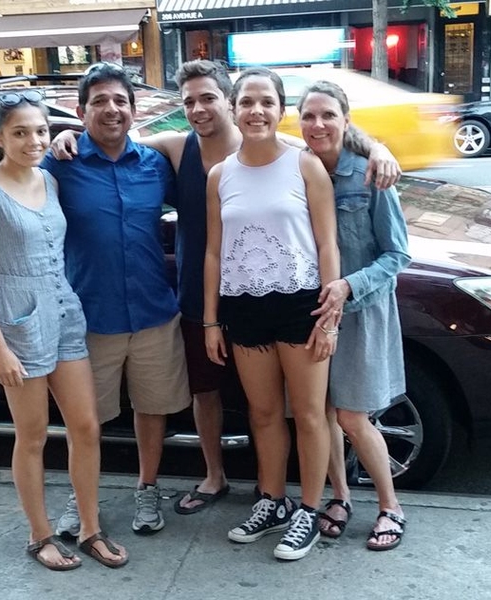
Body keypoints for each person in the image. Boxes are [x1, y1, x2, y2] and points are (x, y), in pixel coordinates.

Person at [49, 59, 401, 516]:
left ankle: (330, 498)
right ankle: (220, 478)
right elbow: (117, 139)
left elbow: (326, 144)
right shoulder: (177, 151)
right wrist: (67, 136)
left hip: (291, 302)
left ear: (229, 103)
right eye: (189, 101)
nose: (199, 108)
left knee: (309, 407)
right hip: (205, 299)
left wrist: (377, 147)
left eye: (209, 97)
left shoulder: (287, 151)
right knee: (210, 394)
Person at [0, 63, 191, 537]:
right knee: (81, 425)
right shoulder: (59, 165)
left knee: (151, 408)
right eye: (99, 101)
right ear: (81, 112)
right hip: (89, 313)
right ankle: (76, 508)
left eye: (120, 101)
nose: (111, 110)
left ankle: (145, 490)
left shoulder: (152, 164)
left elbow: (217, 144)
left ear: (133, 109)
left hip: (150, 308)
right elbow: (10, 183)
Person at [0, 91, 127, 570]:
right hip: (17, 318)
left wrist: (66, 136)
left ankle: (90, 527)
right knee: (31, 435)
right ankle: (40, 536)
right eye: (19, 132)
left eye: (39, 130)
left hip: (64, 309)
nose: (33, 140)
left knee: (86, 427)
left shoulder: (50, 181)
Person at [203, 67, 340, 561]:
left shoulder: (304, 164)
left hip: (301, 302)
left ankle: (307, 509)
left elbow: (327, 242)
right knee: (262, 413)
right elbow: (214, 253)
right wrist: (211, 319)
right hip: (243, 305)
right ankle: (272, 500)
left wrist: (329, 317)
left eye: (266, 102)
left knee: (307, 413)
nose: (256, 111)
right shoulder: (220, 174)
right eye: (246, 102)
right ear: (234, 110)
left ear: (280, 110)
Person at [299, 80, 411, 551]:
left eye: (328, 115)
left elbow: (397, 254)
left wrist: (349, 285)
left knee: (352, 416)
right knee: (320, 412)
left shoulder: (369, 173)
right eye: (309, 116)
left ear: (346, 120)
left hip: (361, 312)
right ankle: (340, 498)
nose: (318, 124)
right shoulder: (298, 169)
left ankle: (391, 507)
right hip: (312, 314)